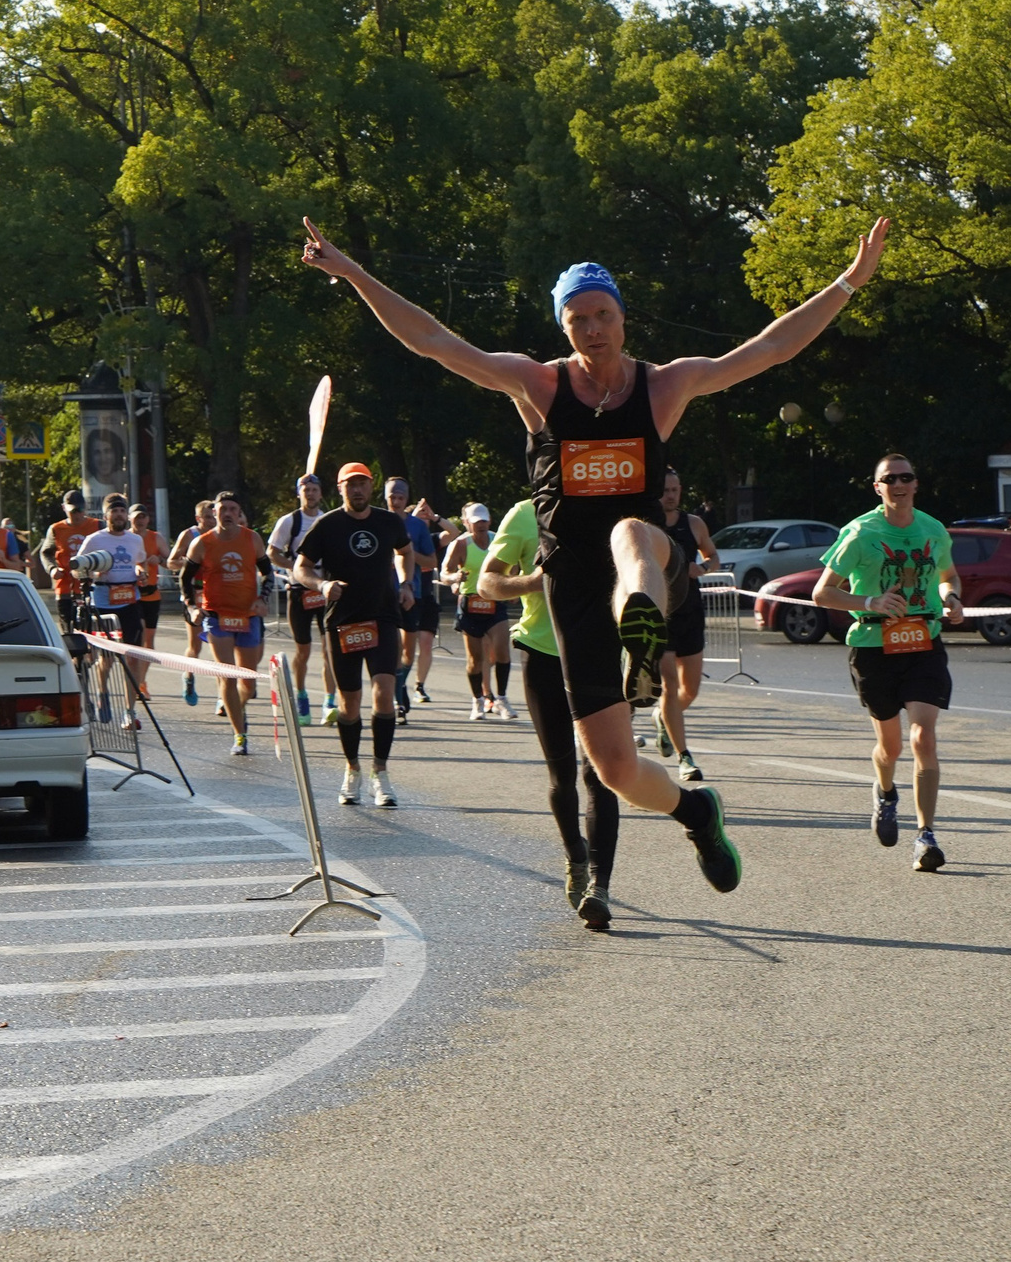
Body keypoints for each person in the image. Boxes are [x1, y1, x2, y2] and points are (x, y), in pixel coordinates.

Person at [299, 213, 891, 896]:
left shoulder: (664, 385)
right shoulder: (539, 387)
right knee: (613, 768)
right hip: (571, 584)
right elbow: (434, 340)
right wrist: (350, 273)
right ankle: (697, 810)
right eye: (577, 319)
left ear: (623, 318)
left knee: (629, 533)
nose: (593, 329)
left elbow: (767, 349)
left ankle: (640, 622)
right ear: (563, 328)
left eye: (603, 314)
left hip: (647, 560)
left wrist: (849, 280)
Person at [811, 452, 965, 872]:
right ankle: (884, 791)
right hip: (873, 647)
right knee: (890, 746)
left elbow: (949, 574)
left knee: (922, 738)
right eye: (889, 479)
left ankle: (926, 836)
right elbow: (822, 593)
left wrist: (951, 597)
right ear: (877, 487)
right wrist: (870, 601)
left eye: (906, 477)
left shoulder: (933, 529)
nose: (899, 484)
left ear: (916, 483)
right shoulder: (861, 533)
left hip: (924, 644)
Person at [481, 497, 619, 929]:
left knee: (600, 773)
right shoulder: (524, 514)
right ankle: (576, 858)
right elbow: (486, 583)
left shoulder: (613, 506)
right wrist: (534, 582)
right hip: (543, 654)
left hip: (600, 652)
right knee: (562, 777)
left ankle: (600, 887)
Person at [292, 462, 417, 808]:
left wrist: (406, 582)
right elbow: (301, 567)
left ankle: (381, 772)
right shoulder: (327, 524)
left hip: (382, 617)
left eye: (362, 484)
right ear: (340, 488)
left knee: (384, 693)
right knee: (348, 704)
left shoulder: (389, 522)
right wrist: (322, 584)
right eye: (351, 485)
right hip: (343, 622)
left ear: (371, 486)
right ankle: (352, 769)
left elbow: (405, 551)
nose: (357, 490)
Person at [188, 492, 270, 755]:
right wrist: (192, 607)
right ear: (214, 513)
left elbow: (268, 573)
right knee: (227, 674)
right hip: (217, 616)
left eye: (232, 509)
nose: (227, 513)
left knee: (249, 682)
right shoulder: (202, 543)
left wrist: (262, 598)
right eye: (222, 509)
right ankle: (239, 735)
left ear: (238, 513)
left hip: (248, 615)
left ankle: (238, 707)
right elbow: (184, 578)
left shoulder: (252, 539)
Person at [654, 467, 722, 780]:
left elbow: (713, 557)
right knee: (668, 684)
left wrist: (703, 568)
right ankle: (685, 758)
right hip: (659, 614)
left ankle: (663, 719)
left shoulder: (693, 524)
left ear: (681, 491)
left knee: (689, 690)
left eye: (674, 490)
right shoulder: (645, 525)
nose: (670, 496)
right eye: (665, 490)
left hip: (690, 612)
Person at [76, 493, 153, 729]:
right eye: (114, 511)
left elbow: (139, 562)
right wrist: (94, 573)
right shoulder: (94, 540)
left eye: (122, 511)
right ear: (106, 515)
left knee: (133, 658)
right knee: (106, 659)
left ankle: (130, 712)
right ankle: (103, 693)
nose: (119, 515)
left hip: (129, 601)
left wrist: (141, 571)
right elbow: (76, 569)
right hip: (103, 604)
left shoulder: (134, 540)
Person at [440, 504, 516, 720]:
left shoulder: (498, 541)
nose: (480, 525)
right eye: (476, 522)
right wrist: (455, 578)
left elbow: (513, 565)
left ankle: (501, 698)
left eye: (483, 520)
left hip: (494, 600)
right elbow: (445, 572)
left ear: (489, 521)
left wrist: (511, 587)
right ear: (467, 523)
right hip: (471, 602)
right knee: (475, 659)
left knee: (503, 651)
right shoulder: (460, 545)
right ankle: (478, 702)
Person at [266, 473, 330, 723]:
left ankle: (329, 701)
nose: (310, 494)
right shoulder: (289, 521)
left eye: (314, 489)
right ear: (299, 493)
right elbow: (271, 553)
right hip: (299, 592)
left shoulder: (327, 520)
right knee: (303, 650)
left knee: (329, 650)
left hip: (324, 590)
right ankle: (302, 696)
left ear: (320, 493)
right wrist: (295, 567)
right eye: (306, 490)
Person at [382, 477, 440, 714]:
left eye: (400, 498)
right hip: (384, 594)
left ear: (406, 499)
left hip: (410, 593)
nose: (395, 502)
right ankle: (397, 698)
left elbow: (432, 561)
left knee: (408, 651)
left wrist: (407, 553)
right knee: (391, 647)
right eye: (391, 497)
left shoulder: (417, 526)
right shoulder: (377, 520)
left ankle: (400, 682)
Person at [168, 500, 219, 709]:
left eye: (212, 516)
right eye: (206, 517)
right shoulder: (189, 535)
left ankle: (222, 698)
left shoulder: (222, 535)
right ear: (198, 519)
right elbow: (171, 561)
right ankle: (189, 676)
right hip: (194, 595)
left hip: (216, 594)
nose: (211, 520)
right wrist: (192, 563)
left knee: (220, 646)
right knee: (195, 646)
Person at [43, 489, 101, 634]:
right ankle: (74, 655)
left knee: (91, 628)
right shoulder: (56, 529)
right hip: (65, 585)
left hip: (90, 584)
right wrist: (52, 569)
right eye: (72, 511)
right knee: (68, 629)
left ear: (85, 508)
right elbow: (45, 553)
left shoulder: (97, 526)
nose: (77, 514)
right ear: (64, 508)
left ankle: (91, 654)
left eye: (80, 510)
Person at [131, 500, 166, 658]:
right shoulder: (125, 537)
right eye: (137, 517)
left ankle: (142, 680)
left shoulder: (156, 537)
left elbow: (172, 562)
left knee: (149, 641)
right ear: (129, 519)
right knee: (138, 636)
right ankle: (136, 676)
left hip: (152, 594)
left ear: (148, 519)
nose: (140, 520)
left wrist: (159, 560)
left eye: (143, 517)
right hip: (131, 594)